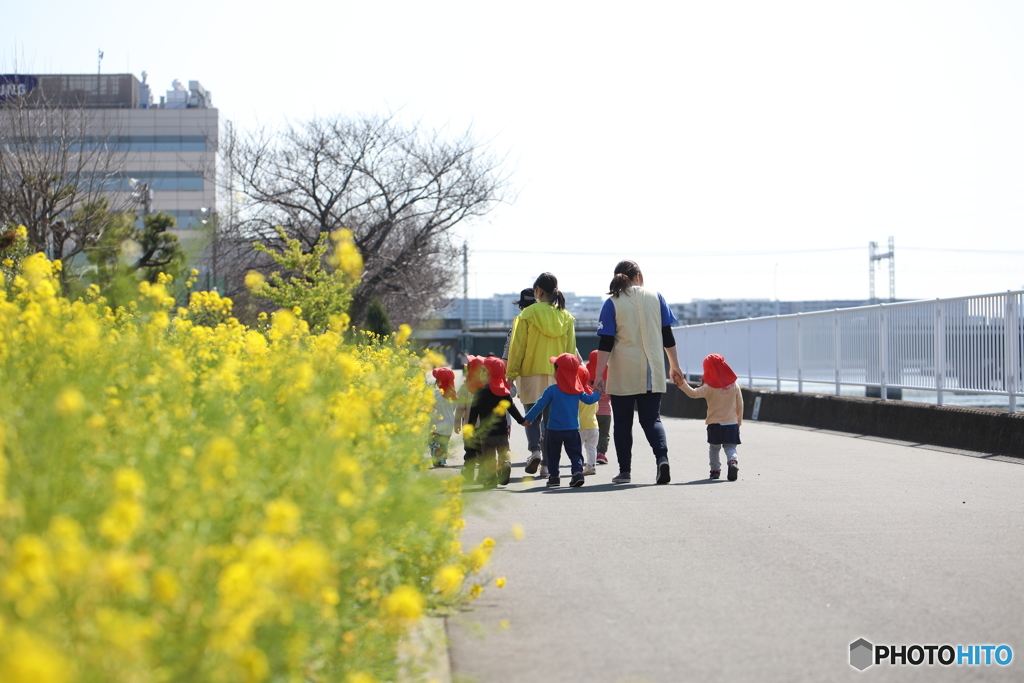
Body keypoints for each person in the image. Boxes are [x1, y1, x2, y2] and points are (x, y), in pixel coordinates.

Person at [593, 260, 684, 485]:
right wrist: (674, 366)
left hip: (624, 370)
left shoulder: (612, 302)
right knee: (652, 419)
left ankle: (625, 472)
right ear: (639, 276)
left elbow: (606, 342)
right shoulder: (656, 297)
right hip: (652, 368)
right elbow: (667, 335)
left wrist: (598, 375)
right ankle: (662, 459)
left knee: (623, 422)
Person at [506, 273, 577, 478]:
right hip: (557, 376)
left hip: (530, 373)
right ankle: (546, 465)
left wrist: (511, 374)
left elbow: (517, 348)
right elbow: (570, 352)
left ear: (537, 291)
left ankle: (535, 451)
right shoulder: (566, 316)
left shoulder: (526, 315)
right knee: (551, 422)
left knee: (532, 417)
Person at [523, 353, 600, 488]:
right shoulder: (577, 391)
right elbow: (590, 400)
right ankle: (577, 473)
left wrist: (527, 419)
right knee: (575, 454)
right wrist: (598, 392)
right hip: (572, 429)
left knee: (553, 455)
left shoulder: (552, 390)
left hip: (553, 430)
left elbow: (539, 405)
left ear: (558, 371)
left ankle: (554, 477)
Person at [676, 353, 743, 481]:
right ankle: (733, 462)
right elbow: (740, 405)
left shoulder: (709, 387)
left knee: (714, 448)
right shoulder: (734, 385)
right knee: (730, 447)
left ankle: (715, 471)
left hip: (715, 424)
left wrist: (682, 383)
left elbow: (693, 393)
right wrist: (738, 421)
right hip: (731, 424)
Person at [468, 357, 526, 488]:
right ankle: (505, 464)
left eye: (482, 372)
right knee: (504, 451)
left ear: (488, 374)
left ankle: (491, 479)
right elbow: (512, 409)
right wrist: (522, 421)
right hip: (501, 432)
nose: (480, 375)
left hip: (485, 434)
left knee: (489, 458)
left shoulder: (480, 392)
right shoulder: (504, 393)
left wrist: (470, 428)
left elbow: (473, 412)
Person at [456, 355, 489, 482]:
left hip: (469, 427)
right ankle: (481, 475)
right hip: (483, 427)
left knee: (470, 452)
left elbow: (459, 408)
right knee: (481, 453)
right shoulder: (487, 388)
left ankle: (469, 474)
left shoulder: (465, 388)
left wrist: (457, 423)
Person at [587, 350, 612, 465]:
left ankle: (590, 454)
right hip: (606, 413)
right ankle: (601, 453)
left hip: (590, 413)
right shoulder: (609, 379)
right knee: (604, 434)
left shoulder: (586, 380)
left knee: (590, 434)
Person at [429, 367, 457, 467]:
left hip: (436, 422)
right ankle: (443, 460)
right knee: (445, 443)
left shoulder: (435, 393)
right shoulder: (453, 394)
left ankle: (436, 453)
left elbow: (430, 406)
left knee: (433, 441)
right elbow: (453, 408)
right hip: (449, 422)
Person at [579, 363, 600, 475]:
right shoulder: (591, 393)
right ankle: (591, 466)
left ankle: (578, 467)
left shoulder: (577, 394)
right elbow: (596, 409)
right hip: (594, 426)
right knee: (591, 448)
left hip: (580, 426)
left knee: (578, 449)